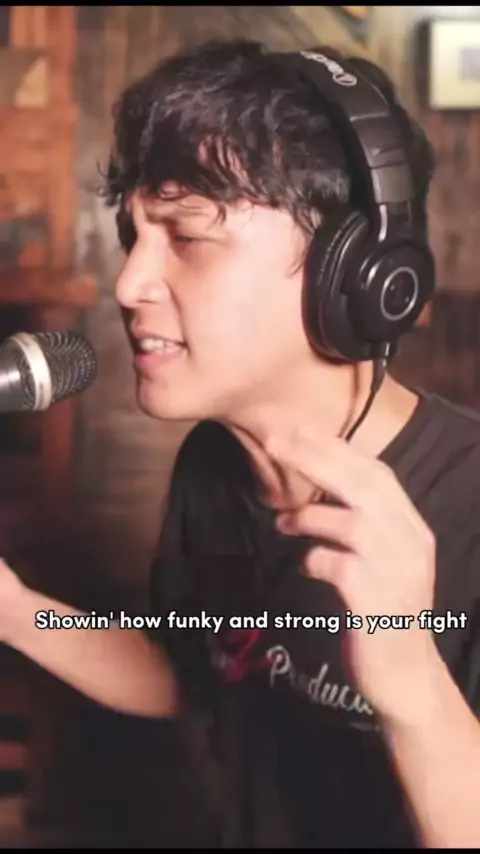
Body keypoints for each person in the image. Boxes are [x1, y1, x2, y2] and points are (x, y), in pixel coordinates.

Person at [1, 39, 480, 848]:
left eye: (186, 235)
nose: (128, 285)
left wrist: (409, 677)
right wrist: (15, 613)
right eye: (132, 236)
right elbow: (196, 676)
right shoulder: (215, 467)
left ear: (354, 272)